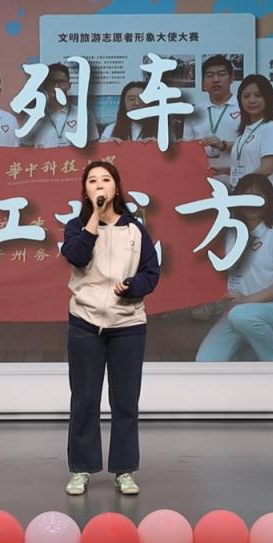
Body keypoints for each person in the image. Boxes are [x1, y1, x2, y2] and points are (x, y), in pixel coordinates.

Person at [61, 161, 160, 496]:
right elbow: (76, 256)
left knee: (125, 402)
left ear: (117, 187)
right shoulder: (77, 227)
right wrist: (94, 217)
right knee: (84, 400)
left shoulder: (135, 230)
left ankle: (124, 470)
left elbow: (151, 273)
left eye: (106, 180)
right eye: (92, 181)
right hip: (85, 322)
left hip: (128, 324)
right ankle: (81, 469)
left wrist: (132, 286)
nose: (99, 185)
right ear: (85, 190)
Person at [195, 174, 273, 362]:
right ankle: (251, 349)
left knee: (242, 316)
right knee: (206, 361)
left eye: (258, 197)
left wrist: (248, 300)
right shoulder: (228, 234)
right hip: (237, 313)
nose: (251, 202)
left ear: (269, 200)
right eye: (246, 196)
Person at [215, 74, 273, 220]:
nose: (252, 100)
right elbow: (250, 166)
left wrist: (241, 186)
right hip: (245, 204)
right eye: (246, 96)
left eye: (258, 95)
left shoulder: (271, 128)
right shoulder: (246, 131)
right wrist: (228, 171)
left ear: (268, 98)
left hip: (264, 205)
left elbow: (267, 169)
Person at [182, 55, 241, 188]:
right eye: (210, 75)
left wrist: (223, 145)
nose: (215, 80)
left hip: (238, 184)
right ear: (203, 82)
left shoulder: (244, 108)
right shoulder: (194, 112)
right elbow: (187, 149)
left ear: (232, 78)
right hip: (201, 184)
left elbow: (252, 147)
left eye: (221, 74)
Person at [21, 62, 98, 148]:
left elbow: (94, 146)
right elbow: (25, 149)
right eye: (51, 82)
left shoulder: (84, 115)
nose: (56, 86)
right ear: (44, 85)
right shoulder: (33, 117)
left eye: (61, 82)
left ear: (69, 85)